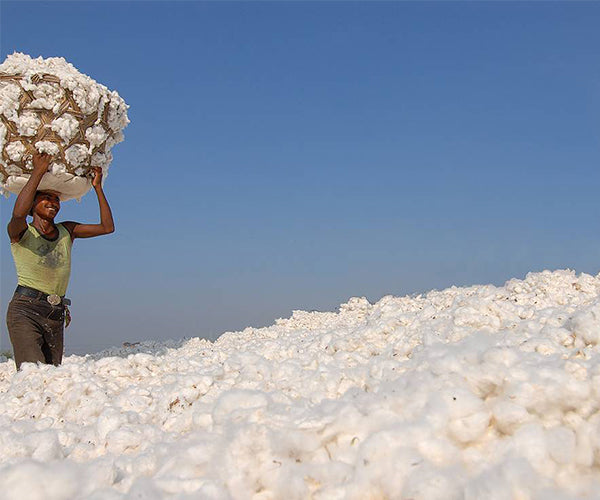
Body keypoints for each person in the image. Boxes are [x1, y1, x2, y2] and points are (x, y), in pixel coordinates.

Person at [6, 152, 115, 370]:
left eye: (56, 199)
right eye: (46, 198)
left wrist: (98, 188)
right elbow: (18, 215)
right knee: (33, 375)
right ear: (32, 206)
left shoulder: (67, 231)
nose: (53, 203)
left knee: (52, 376)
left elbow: (107, 227)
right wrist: (38, 171)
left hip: (55, 313)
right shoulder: (21, 232)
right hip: (25, 310)